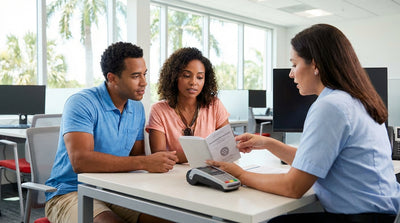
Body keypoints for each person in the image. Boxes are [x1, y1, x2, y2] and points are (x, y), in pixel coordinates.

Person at [207, 24, 400, 223]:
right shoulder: (355, 99)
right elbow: (315, 160)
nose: (291, 73)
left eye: (294, 64)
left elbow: (293, 187)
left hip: (361, 218)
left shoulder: (330, 106)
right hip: (380, 215)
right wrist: (268, 143)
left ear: (315, 65)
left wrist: (240, 174)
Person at [45, 42, 178, 223]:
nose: (144, 82)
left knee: (169, 219)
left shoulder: (137, 109)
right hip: (71, 191)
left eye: (144, 74)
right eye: (135, 76)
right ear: (112, 78)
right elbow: (81, 162)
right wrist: (145, 162)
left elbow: (136, 158)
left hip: (115, 190)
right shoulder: (81, 103)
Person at [146, 47, 230, 163]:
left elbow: (227, 147)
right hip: (170, 175)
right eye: (186, 75)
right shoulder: (159, 110)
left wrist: (179, 156)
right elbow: (159, 156)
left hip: (210, 170)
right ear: (174, 77)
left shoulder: (214, 105)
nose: (193, 82)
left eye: (200, 77)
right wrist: (206, 154)